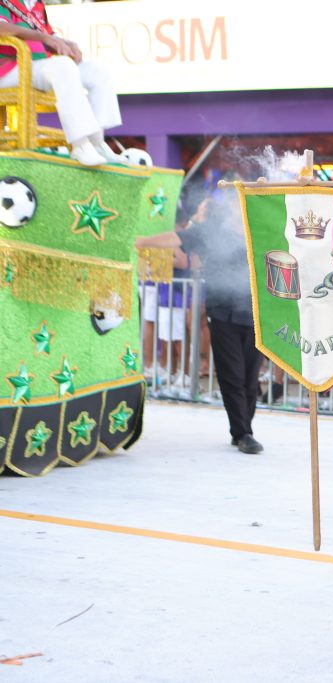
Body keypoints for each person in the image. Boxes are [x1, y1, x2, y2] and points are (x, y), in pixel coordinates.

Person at [135, 195, 264, 455]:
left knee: (251, 378)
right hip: (222, 312)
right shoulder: (209, 232)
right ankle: (242, 432)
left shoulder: (258, 228)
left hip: (255, 314)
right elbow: (175, 238)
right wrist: (142, 242)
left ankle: (244, 426)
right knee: (233, 374)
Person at [0, 0, 126, 166]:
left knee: (97, 71)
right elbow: (3, 28)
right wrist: (43, 37)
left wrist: (67, 44)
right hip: (9, 69)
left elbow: (48, 33)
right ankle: (80, 144)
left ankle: (96, 143)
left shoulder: (37, 4)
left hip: (37, 66)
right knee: (62, 66)